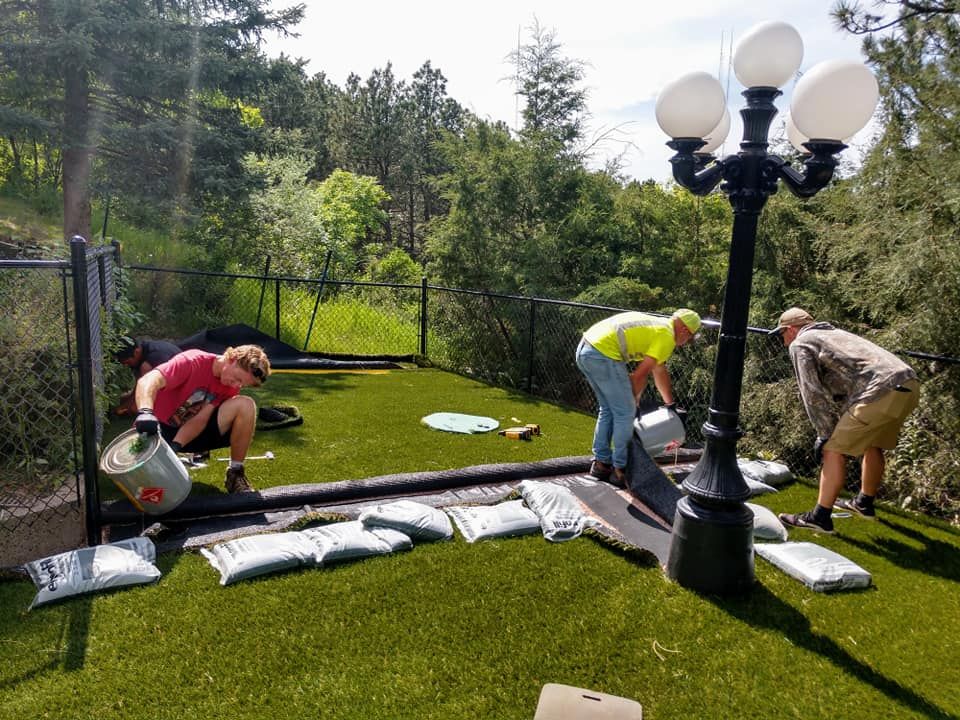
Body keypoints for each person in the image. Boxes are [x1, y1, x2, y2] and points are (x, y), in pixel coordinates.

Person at [770, 307, 919, 533]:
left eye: (782, 335)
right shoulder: (833, 334)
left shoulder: (800, 343)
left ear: (790, 329)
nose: (783, 342)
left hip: (880, 390)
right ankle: (863, 502)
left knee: (832, 449)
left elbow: (812, 393)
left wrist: (824, 433)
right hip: (909, 384)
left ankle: (820, 517)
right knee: (873, 444)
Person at [575, 308, 701, 487]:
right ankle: (621, 469)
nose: (686, 342)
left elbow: (658, 371)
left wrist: (669, 404)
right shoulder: (666, 336)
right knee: (625, 413)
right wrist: (632, 403)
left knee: (609, 409)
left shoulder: (660, 328)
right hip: (603, 354)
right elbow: (639, 375)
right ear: (684, 330)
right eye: (689, 338)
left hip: (586, 350)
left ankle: (601, 464)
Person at [132, 345, 271, 494]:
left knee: (246, 405)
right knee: (139, 482)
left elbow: (200, 419)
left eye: (242, 384)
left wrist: (176, 446)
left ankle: (235, 473)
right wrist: (145, 412)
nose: (237, 385)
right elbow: (147, 380)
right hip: (154, 427)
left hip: (190, 435)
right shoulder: (191, 362)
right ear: (232, 359)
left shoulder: (229, 385)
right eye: (238, 379)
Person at [113, 337, 182, 415]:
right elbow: (139, 385)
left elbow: (142, 392)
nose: (126, 365)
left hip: (180, 388)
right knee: (126, 399)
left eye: (128, 362)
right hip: (173, 380)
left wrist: (124, 407)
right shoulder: (144, 348)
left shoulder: (148, 364)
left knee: (134, 408)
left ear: (136, 352)